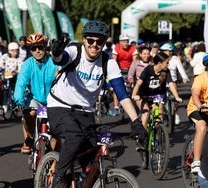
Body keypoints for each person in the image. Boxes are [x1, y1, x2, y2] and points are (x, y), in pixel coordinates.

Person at [48, 20, 142, 187]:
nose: (94, 45)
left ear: (104, 43)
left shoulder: (108, 62)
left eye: (99, 42)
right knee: (74, 138)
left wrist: (136, 121)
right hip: (60, 105)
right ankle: (60, 176)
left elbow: (121, 93)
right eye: (90, 40)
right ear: (84, 40)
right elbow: (61, 59)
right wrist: (55, 53)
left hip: (85, 110)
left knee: (92, 155)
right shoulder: (75, 51)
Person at [13, 33, 59, 154]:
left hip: (53, 99)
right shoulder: (27, 64)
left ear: (45, 47)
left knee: (56, 131)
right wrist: (19, 99)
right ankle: (29, 138)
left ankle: (54, 164)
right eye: (33, 48)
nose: (37, 51)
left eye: (40, 47)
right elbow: (21, 83)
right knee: (30, 113)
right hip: (34, 98)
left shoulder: (54, 62)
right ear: (30, 50)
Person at [131, 51, 182, 150]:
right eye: (167, 62)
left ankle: (158, 138)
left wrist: (177, 97)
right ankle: (141, 140)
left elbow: (171, 84)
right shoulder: (148, 70)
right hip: (143, 95)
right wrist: (134, 95)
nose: (168, 64)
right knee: (145, 114)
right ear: (159, 63)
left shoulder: (166, 72)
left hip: (157, 95)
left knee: (159, 115)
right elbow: (138, 84)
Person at [160, 42, 188, 125]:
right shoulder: (160, 58)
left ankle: (176, 114)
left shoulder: (175, 59)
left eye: (167, 51)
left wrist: (184, 77)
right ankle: (163, 114)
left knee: (175, 98)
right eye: (164, 51)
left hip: (173, 80)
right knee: (161, 98)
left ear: (171, 52)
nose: (166, 52)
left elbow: (180, 68)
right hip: (162, 80)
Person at [111, 34, 138, 115]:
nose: (125, 43)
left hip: (130, 70)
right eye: (123, 41)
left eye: (127, 41)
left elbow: (135, 62)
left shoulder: (133, 48)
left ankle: (134, 105)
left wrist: (132, 73)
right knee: (117, 87)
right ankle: (116, 107)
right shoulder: (116, 48)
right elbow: (114, 61)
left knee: (134, 86)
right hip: (119, 70)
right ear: (120, 42)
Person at [0, 42, 23, 109]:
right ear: (9, 51)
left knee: (15, 88)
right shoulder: (5, 56)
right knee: (2, 88)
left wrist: (16, 72)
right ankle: (2, 102)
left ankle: (16, 103)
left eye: (17, 51)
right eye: (13, 51)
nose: (15, 53)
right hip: (6, 76)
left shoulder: (19, 59)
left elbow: (21, 67)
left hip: (14, 76)